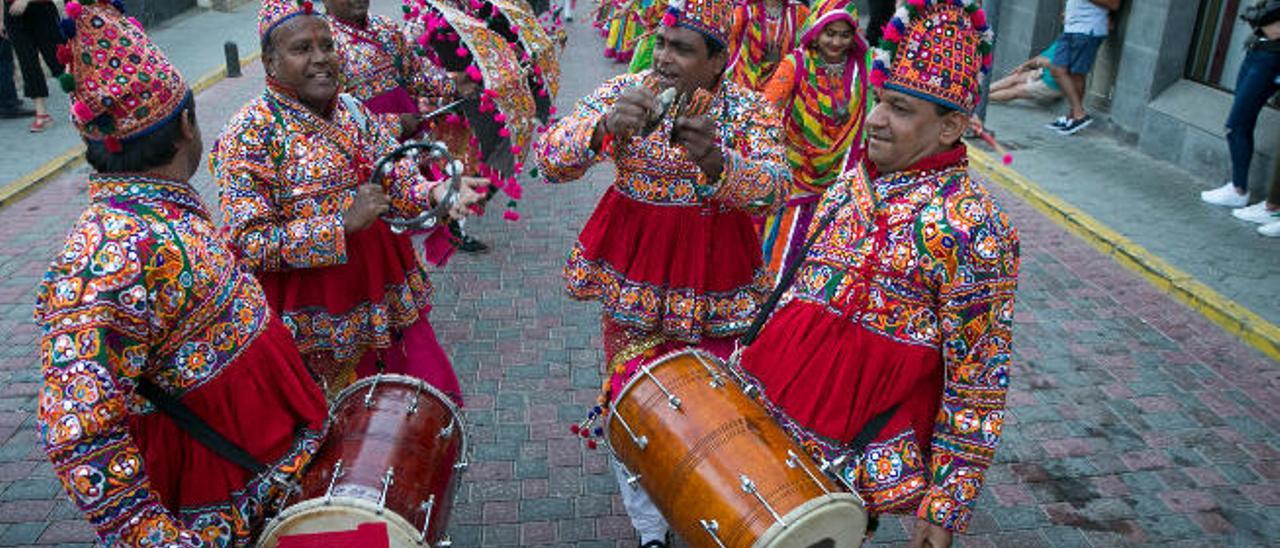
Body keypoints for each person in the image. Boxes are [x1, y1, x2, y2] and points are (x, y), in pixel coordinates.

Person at [33, 2, 328, 544]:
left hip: (269, 473)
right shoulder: (107, 251)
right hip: (218, 499)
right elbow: (77, 429)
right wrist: (154, 537)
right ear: (188, 124)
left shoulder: (158, 212)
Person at [736, 1, 1019, 546]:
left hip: (858, 447)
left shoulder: (975, 228)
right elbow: (797, 287)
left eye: (901, 109)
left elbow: (978, 379)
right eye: (880, 102)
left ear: (951, 127)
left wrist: (944, 506)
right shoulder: (849, 185)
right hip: (773, 404)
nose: (875, 120)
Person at [535, 0, 787, 544]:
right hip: (635, 276)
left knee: (715, 405)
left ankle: (712, 510)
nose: (665, 58)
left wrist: (719, 164)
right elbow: (549, 160)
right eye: (664, 44)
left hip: (719, 279)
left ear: (718, 61)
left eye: (683, 49)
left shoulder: (747, 111)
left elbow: (773, 189)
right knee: (636, 401)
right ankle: (650, 527)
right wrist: (604, 128)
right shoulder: (628, 92)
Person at [211, 0, 485, 402]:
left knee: (413, 406)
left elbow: (394, 171)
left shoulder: (352, 110)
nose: (321, 59)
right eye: (302, 49)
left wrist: (433, 192)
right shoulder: (248, 132)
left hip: (379, 284)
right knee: (338, 428)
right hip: (310, 312)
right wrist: (341, 225)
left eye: (326, 46)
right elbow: (252, 242)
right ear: (270, 61)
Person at [758, 0, 868, 281]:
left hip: (839, 175)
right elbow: (766, 108)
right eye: (830, 33)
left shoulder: (859, 69)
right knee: (783, 248)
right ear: (816, 31)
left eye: (845, 35)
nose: (837, 42)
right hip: (795, 173)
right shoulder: (796, 62)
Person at [1200, 1, 1280, 236]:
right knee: (1238, 124)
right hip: (1258, 50)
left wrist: (1262, 19)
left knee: (1236, 124)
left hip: (1270, 58)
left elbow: (1272, 26)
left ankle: (1240, 191)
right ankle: (1239, 189)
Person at [1045, 0, 1120, 135]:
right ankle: (1076, 115)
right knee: (1057, 69)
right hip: (1071, 26)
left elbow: (1114, 4)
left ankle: (1076, 115)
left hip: (1088, 28)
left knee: (1077, 73)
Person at [3, 0, 63, 131]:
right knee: (28, 64)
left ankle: (83, 104)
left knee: (58, 59)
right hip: (13, 14)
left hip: (41, 9)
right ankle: (42, 114)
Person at [726, 0, 809, 92]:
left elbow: (808, 50)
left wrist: (778, 61)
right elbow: (726, 38)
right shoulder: (744, 10)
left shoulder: (798, 12)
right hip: (741, 87)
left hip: (780, 88)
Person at [989, 40, 1063, 105]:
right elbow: (1040, 58)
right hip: (1044, 72)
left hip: (1054, 84)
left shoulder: (1072, 45)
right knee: (1015, 77)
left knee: (1016, 90)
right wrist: (1023, 66)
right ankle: (980, 93)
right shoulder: (1064, 38)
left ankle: (983, 99)